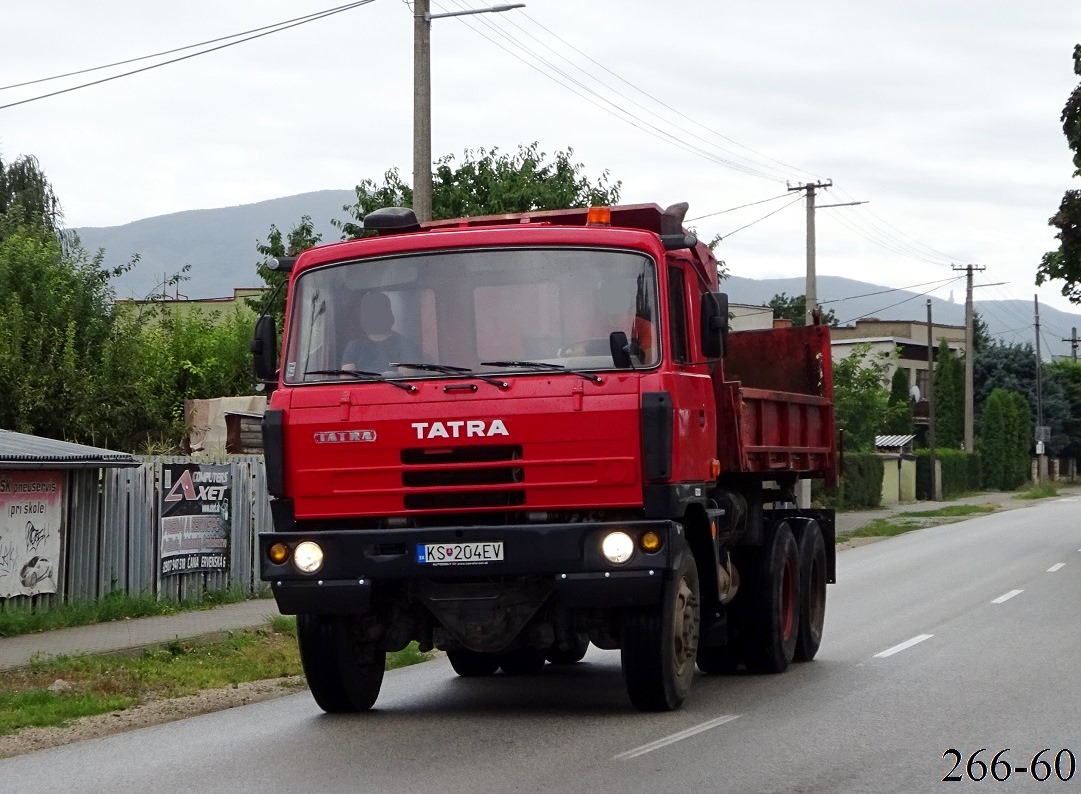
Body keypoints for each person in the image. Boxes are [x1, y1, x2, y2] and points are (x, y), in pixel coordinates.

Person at [341, 291, 423, 373]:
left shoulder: (405, 345)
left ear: (387, 314)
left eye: (378, 311)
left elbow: (407, 379)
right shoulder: (354, 347)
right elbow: (347, 380)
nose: (375, 316)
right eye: (370, 312)